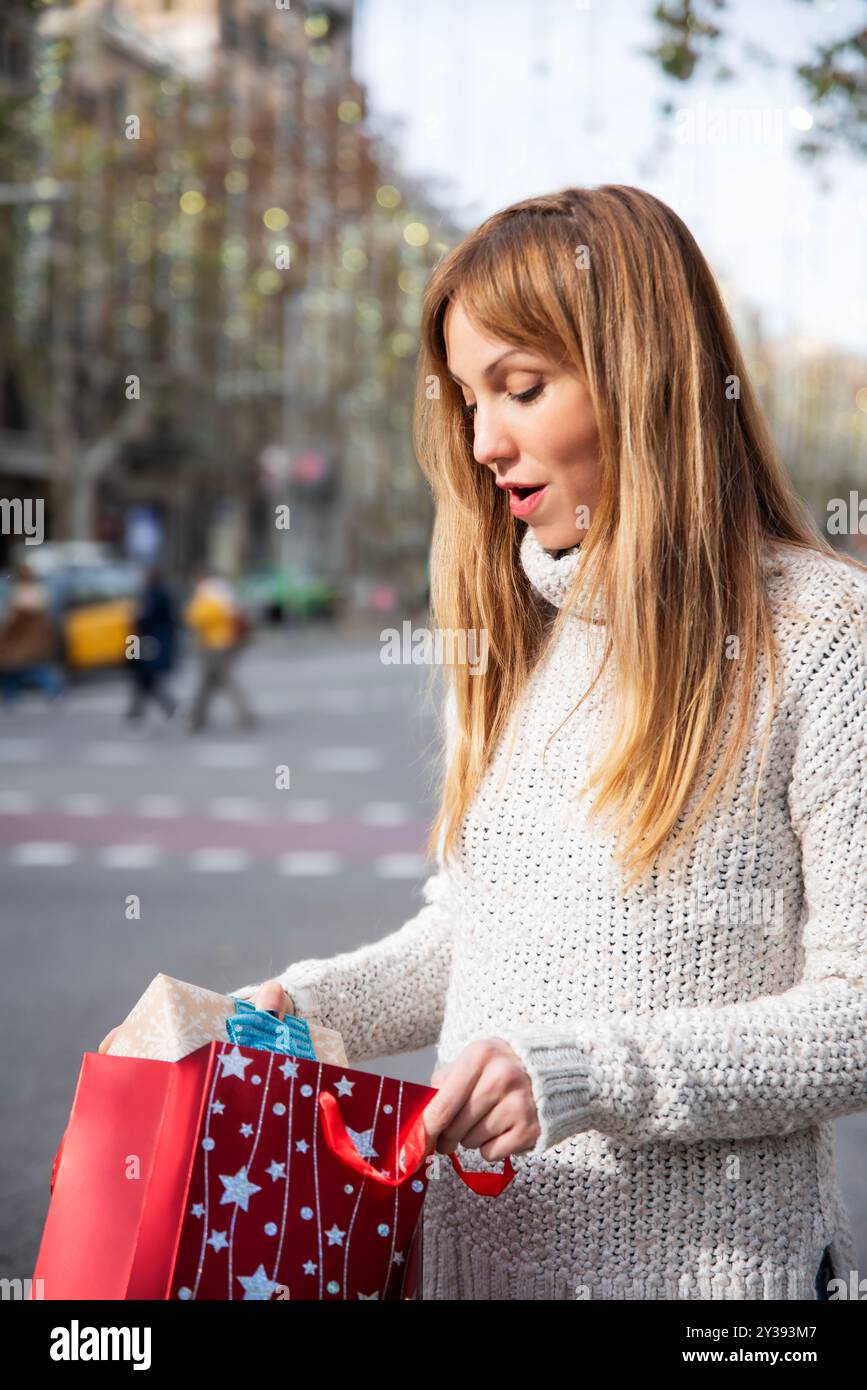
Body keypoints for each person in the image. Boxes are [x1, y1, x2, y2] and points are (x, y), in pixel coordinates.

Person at [100, 186, 867, 1302]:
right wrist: (296, 1013)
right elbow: (474, 933)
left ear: (643, 375)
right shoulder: (523, 636)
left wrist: (590, 1076)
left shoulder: (823, 632)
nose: (482, 440)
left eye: (521, 387)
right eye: (466, 397)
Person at [184, 568, 256, 732]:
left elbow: (196, 617)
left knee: (220, 679)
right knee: (210, 680)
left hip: (215, 643)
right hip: (223, 642)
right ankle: (197, 717)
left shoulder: (209, 592)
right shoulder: (224, 590)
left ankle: (243, 714)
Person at [0, 562, 64, 703]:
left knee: (27, 669)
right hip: (34, 642)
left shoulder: (21, 593)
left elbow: (14, 620)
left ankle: (54, 691)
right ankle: (11, 696)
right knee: (20, 670)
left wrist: (5, 632)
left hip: (22, 642)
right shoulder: (39, 590)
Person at [125, 564, 178, 722]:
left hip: (148, 642)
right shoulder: (149, 594)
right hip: (139, 641)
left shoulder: (157, 596)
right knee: (143, 677)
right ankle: (165, 707)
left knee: (144, 676)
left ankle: (137, 711)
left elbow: (146, 618)